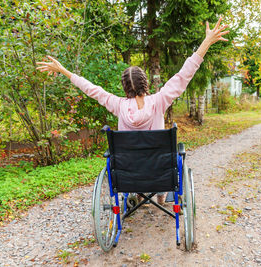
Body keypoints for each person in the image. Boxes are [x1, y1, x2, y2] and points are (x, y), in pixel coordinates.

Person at [36, 16, 229, 204]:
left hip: (130, 171)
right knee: (162, 159)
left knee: (135, 160)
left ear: (125, 87)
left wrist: (64, 71)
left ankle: (138, 194)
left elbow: (92, 90)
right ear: (144, 82)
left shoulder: (118, 105)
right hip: (159, 170)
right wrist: (206, 42)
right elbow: (184, 74)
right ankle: (161, 197)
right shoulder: (159, 101)